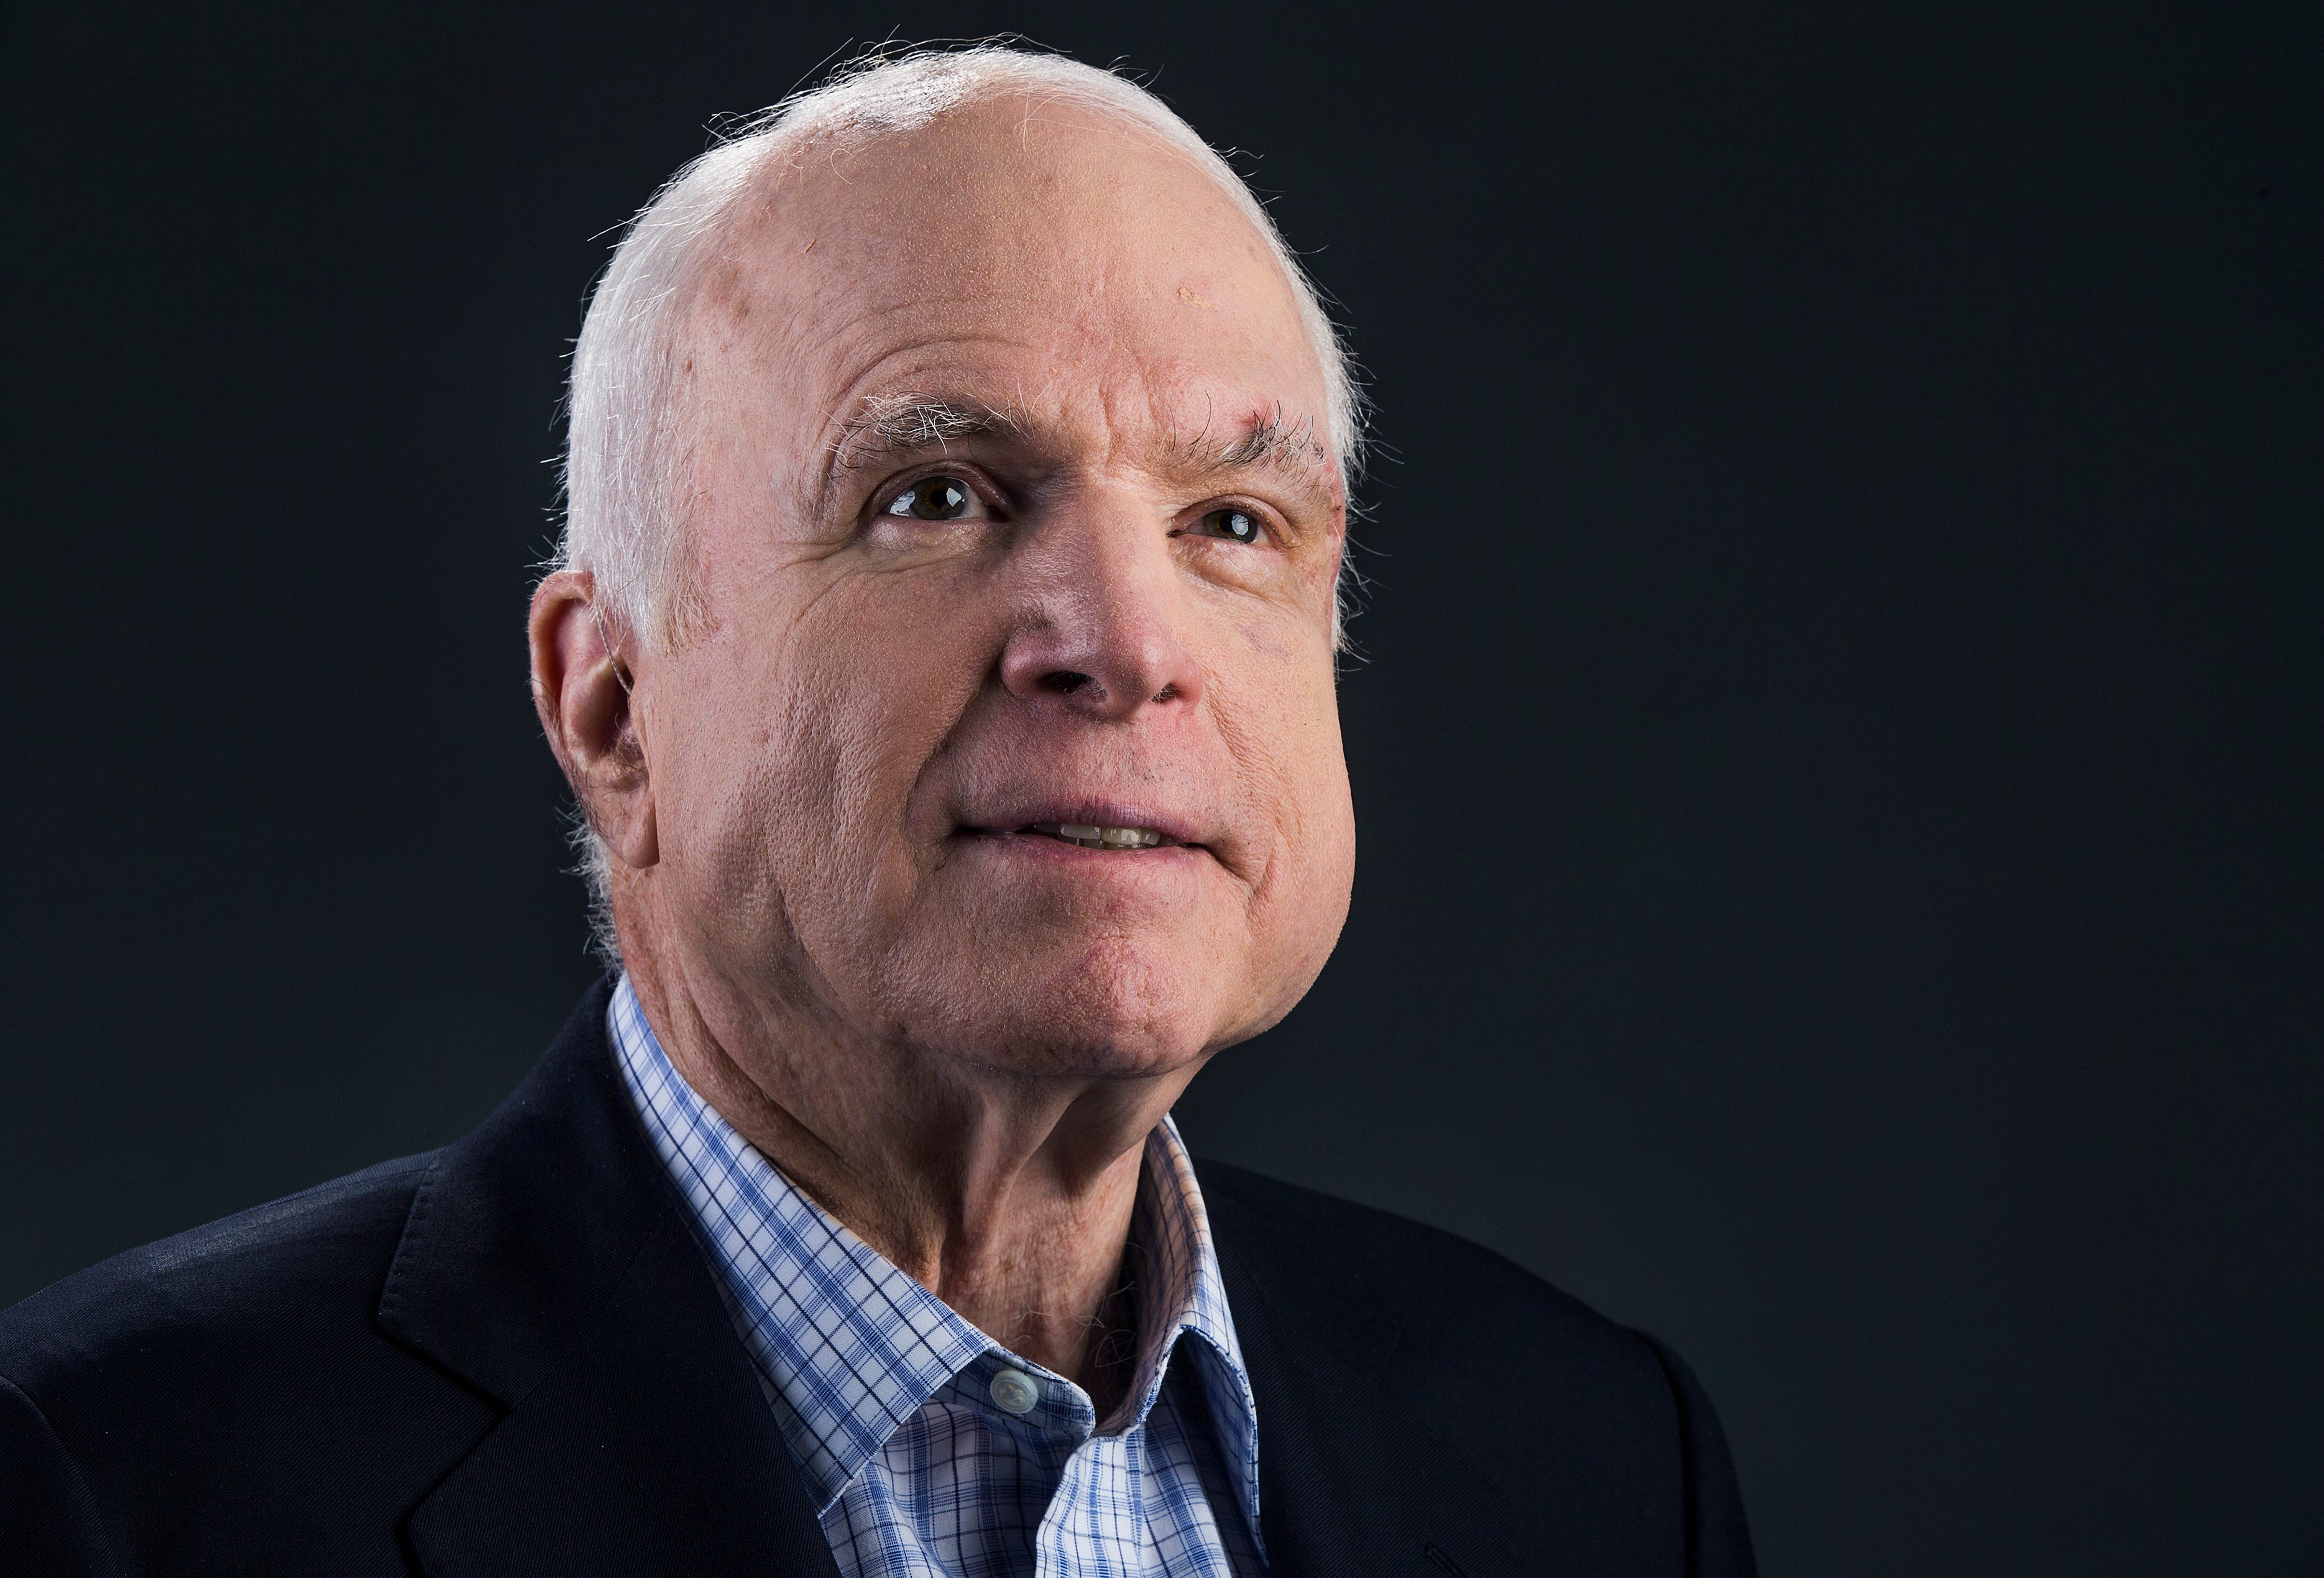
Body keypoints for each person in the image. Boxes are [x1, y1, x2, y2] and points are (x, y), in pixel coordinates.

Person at [0, 47, 1754, 1577]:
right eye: (940, 495)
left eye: (1232, 521)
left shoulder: (1593, 1457)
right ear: (611, 704)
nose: (1129, 647)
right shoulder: (107, 1489)